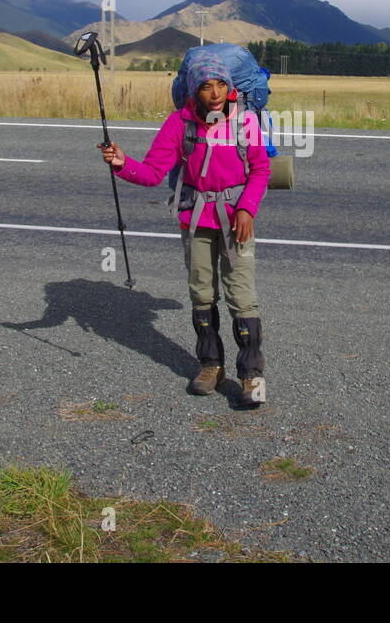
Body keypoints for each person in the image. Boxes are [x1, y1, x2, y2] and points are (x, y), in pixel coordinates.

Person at [96, 53, 271, 405]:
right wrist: (121, 163)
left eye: (221, 84)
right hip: (195, 219)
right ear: (194, 91)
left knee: (242, 296)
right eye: (206, 86)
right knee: (201, 294)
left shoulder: (246, 121)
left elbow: (261, 170)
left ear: (230, 86)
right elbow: (152, 173)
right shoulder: (179, 123)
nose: (216, 93)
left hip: (237, 219)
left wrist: (247, 210)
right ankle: (210, 366)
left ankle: (251, 375)